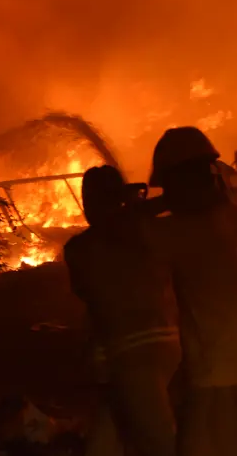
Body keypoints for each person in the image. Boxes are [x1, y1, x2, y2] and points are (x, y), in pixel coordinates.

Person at [145, 127, 237, 456]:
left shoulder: (177, 233)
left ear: (181, 182)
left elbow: (113, 238)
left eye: (168, 187)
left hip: (222, 379)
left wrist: (150, 206)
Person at [64, 165, 181, 456]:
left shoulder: (82, 248)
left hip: (134, 354)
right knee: (105, 442)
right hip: (160, 348)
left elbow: (87, 287)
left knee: (159, 443)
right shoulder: (149, 231)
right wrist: (138, 208)